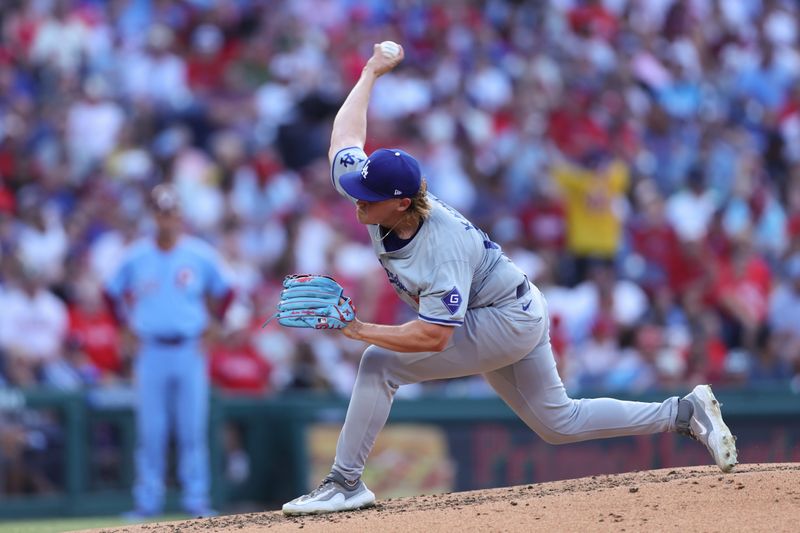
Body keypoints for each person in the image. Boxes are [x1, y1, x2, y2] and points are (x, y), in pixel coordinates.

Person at [280, 42, 738, 516]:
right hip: (511, 305)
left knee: (379, 362)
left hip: (506, 318)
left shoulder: (441, 247)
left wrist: (356, 330)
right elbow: (345, 140)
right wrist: (371, 72)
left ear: (399, 202)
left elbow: (435, 336)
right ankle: (683, 412)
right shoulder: (383, 196)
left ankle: (345, 482)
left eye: (367, 197)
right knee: (558, 422)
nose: (357, 201)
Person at [104, 183, 233, 519]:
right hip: (152, 350)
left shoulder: (199, 253)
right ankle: (147, 502)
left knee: (192, 430)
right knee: (151, 432)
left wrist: (215, 324)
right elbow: (110, 292)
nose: (166, 219)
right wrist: (122, 327)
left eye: (171, 212)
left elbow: (227, 290)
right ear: (153, 216)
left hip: (189, 349)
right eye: (161, 212)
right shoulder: (136, 255)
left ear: (180, 215)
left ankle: (196, 500)